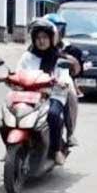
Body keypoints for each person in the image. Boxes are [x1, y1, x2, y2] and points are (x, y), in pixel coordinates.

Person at [17, 18, 73, 164]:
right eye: (38, 38)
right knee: (13, 111)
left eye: (45, 38)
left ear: (51, 39)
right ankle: (12, 146)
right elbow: (18, 73)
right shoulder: (27, 57)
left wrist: (62, 83)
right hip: (31, 95)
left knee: (53, 115)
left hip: (53, 95)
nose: (41, 41)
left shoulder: (58, 58)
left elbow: (65, 77)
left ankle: (56, 150)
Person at [44, 13, 82, 147]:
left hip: (60, 78)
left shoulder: (68, 48)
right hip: (38, 79)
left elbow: (76, 67)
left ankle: (70, 133)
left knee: (70, 93)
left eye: (60, 29)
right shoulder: (35, 47)